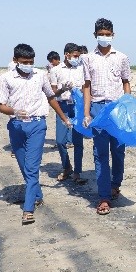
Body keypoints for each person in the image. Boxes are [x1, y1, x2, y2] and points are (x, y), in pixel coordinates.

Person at [0, 44, 72, 225]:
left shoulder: (40, 76)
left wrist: (63, 118)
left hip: (37, 125)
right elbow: (1, 106)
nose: (28, 65)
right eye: (25, 62)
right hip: (16, 127)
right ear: (15, 60)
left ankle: (28, 208)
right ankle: (37, 195)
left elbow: (50, 97)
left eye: (31, 62)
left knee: (32, 168)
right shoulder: (5, 78)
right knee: (24, 167)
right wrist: (14, 111)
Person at [81, 18, 131, 216]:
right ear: (95, 35)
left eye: (107, 34)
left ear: (113, 35)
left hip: (118, 108)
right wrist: (86, 113)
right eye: (101, 34)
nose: (104, 37)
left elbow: (126, 82)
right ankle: (103, 197)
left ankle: (115, 184)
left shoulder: (122, 58)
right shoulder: (88, 59)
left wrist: (127, 106)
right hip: (97, 108)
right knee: (100, 153)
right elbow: (86, 86)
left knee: (118, 151)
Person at [49, 43, 86, 184]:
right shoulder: (56, 71)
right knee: (60, 141)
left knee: (78, 142)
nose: (77, 58)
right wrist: (63, 89)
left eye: (78, 56)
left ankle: (77, 172)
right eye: (75, 56)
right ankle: (66, 166)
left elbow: (85, 89)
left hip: (77, 108)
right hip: (62, 107)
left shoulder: (81, 69)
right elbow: (52, 93)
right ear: (67, 55)